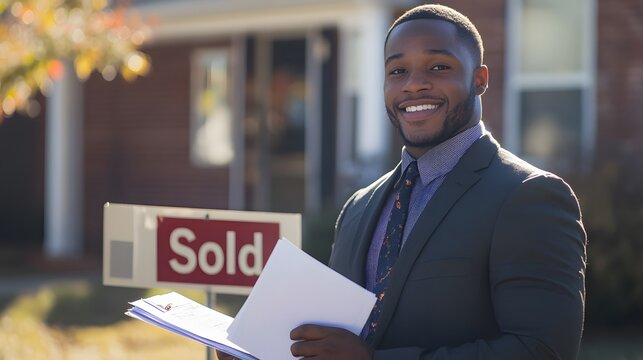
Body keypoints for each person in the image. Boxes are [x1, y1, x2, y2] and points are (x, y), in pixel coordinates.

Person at [219, 4, 586, 360]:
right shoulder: (358, 207)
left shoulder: (529, 197)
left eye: (439, 66)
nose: (414, 85)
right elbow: (337, 341)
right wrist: (265, 348)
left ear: (479, 79)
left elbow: (542, 351)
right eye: (397, 71)